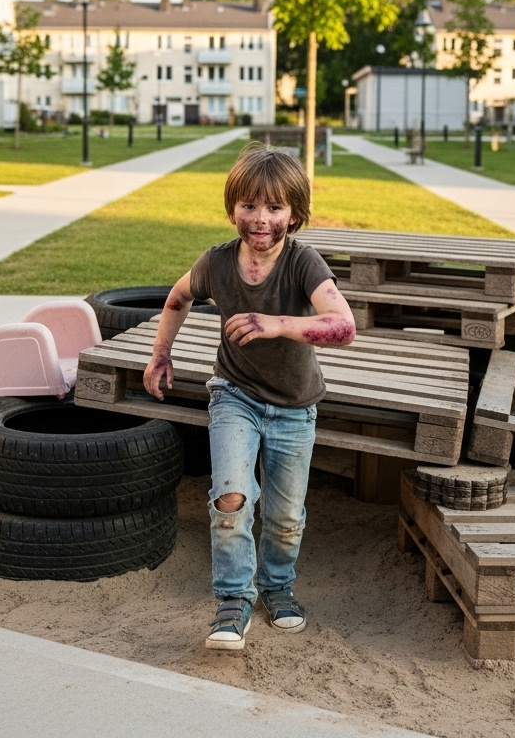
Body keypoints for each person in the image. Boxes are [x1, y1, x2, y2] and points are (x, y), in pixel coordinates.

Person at [143, 143, 356, 651]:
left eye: (275, 207)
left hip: (294, 408)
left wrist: (276, 324)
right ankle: (234, 599)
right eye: (249, 205)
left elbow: (344, 326)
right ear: (232, 207)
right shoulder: (216, 262)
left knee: (284, 517)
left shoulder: (303, 263)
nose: (260, 219)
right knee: (231, 497)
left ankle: (278, 586)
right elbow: (177, 297)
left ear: (296, 214)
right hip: (233, 396)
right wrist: (160, 355)